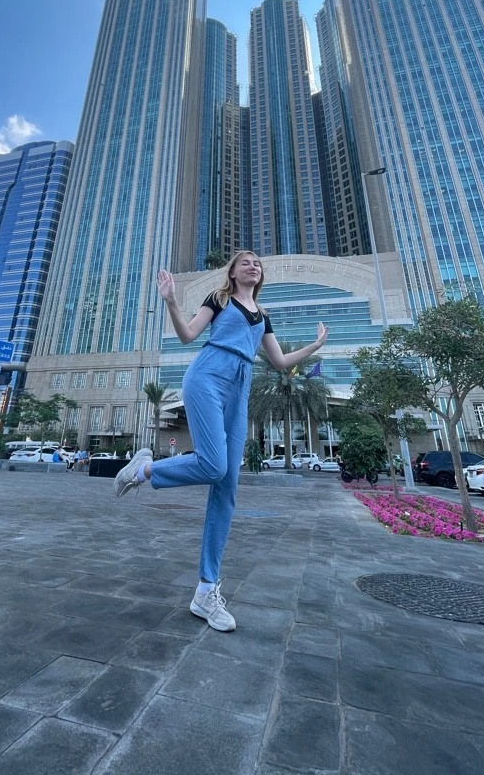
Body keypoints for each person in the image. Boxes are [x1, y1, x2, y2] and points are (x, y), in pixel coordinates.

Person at [113, 251, 327, 632]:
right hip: (208, 376)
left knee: (226, 488)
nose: (253, 266)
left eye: (257, 263)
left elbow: (279, 362)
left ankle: (205, 591)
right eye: (245, 262)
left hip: (240, 390)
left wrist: (314, 346)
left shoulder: (262, 316)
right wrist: (171, 301)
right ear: (232, 271)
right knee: (213, 464)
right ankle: (144, 469)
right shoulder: (220, 299)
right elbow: (187, 335)